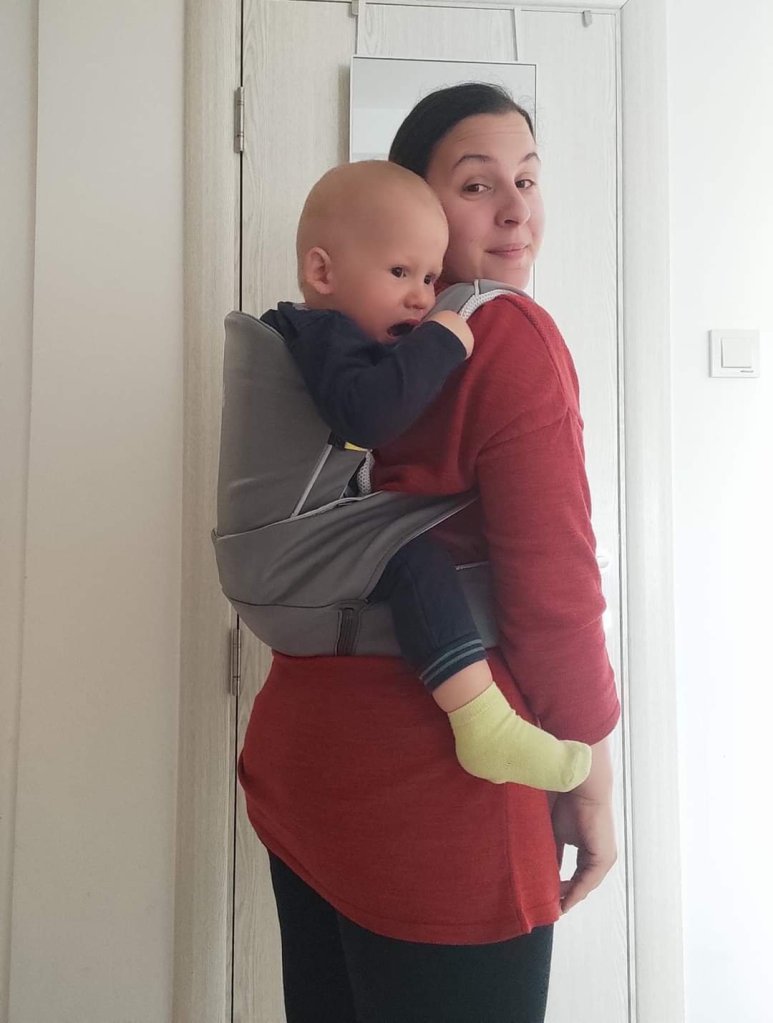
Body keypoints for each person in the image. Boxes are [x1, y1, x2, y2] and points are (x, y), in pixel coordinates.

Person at [238, 82, 620, 1023]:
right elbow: (553, 590)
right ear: (417, 206)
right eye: (477, 184)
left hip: (306, 767)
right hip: (439, 797)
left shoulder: (330, 335)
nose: (515, 209)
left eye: (527, 179)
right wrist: (589, 772)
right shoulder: (505, 336)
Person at [262, 158, 590, 792]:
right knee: (412, 558)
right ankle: (481, 722)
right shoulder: (320, 332)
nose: (420, 296)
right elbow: (369, 415)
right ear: (322, 273)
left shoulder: (327, 333)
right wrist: (441, 341)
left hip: (308, 566)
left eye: (430, 277)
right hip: (302, 537)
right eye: (399, 273)